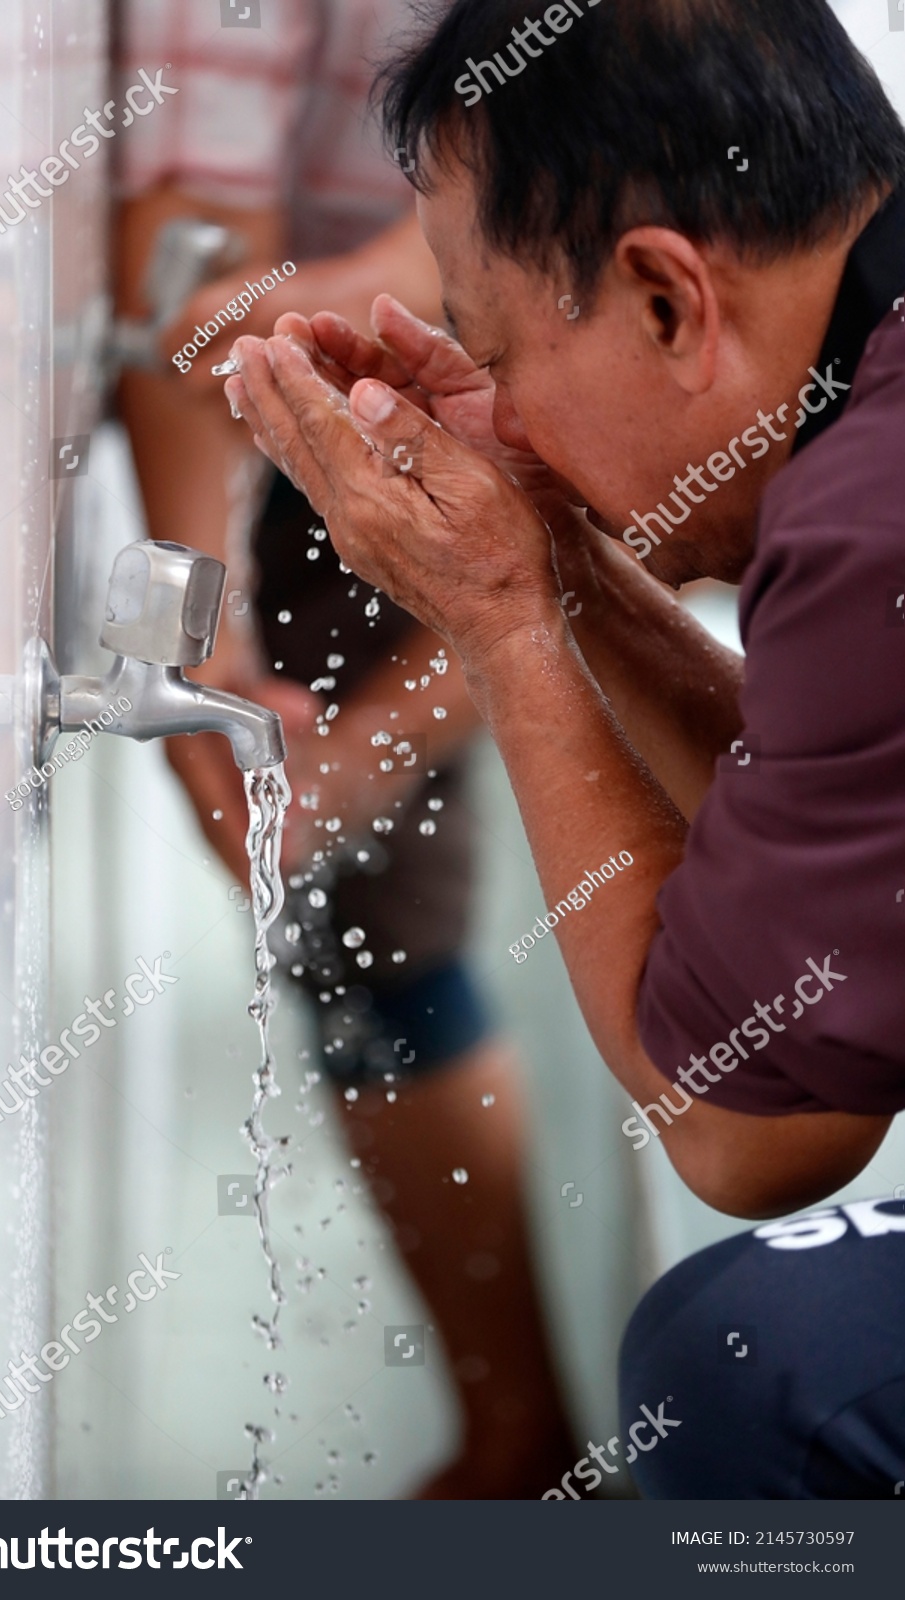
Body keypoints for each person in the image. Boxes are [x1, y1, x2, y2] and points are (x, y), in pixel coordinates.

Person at [224, 0, 905, 1497]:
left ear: (664, 298)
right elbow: (851, 838)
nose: (501, 401)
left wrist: (503, 617)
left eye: (496, 348)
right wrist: (556, 547)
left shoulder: (868, 514)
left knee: (744, 1364)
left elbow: (749, 1124)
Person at [114, 0, 579, 1498]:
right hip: (382, 327)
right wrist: (211, 640)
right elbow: (195, 281)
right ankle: (519, 1439)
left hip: (539, 314)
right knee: (364, 932)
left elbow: (581, 546)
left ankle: (530, 1445)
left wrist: (370, 755)